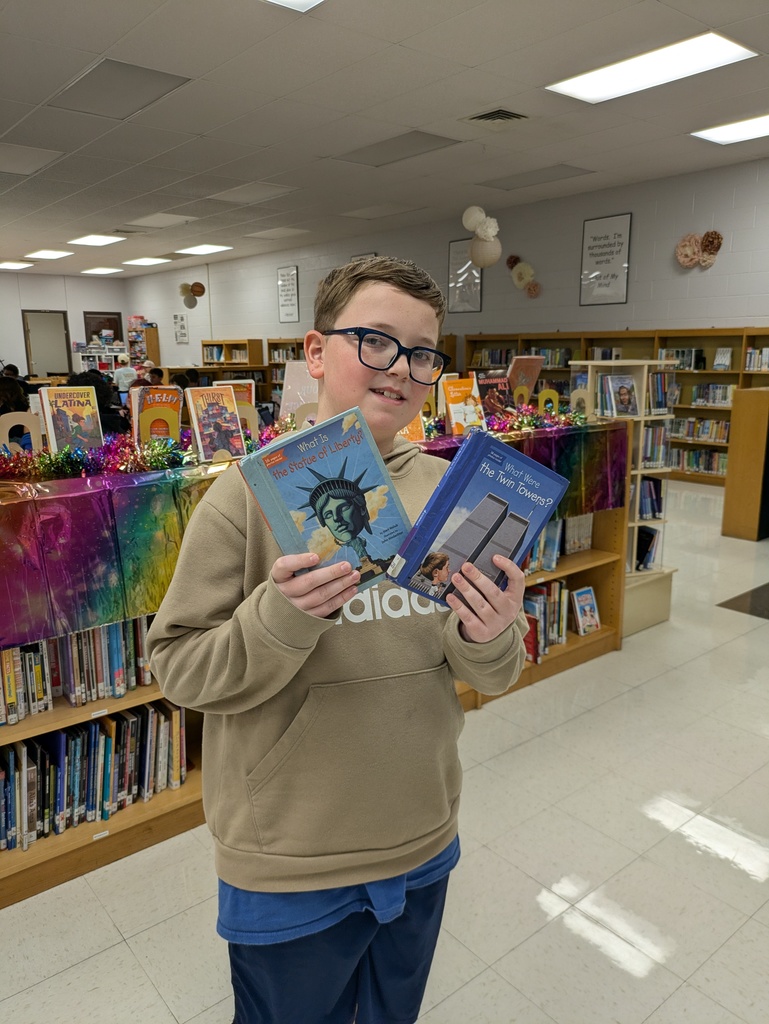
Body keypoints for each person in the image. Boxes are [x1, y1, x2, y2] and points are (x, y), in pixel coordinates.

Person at [147, 255, 527, 1024]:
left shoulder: (448, 492)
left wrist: (491, 634)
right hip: (290, 858)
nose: (403, 369)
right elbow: (179, 667)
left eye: (423, 353)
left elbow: (488, 669)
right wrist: (281, 618)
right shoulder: (242, 496)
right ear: (316, 353)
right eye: (376, 341)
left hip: (422, 836)